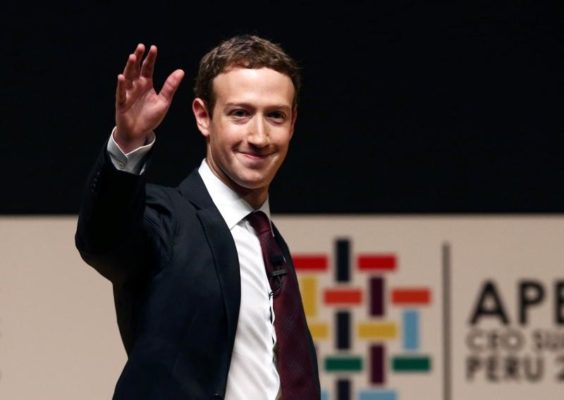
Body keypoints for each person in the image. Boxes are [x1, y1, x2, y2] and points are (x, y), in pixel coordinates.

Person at [75, 35, 320, 399]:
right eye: (240, 113)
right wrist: (127, 144)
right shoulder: (166, 218)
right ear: (203, 117)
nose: (259, 135)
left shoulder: (270, 246)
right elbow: (103, 241)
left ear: (293, 123)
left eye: (275, 116)